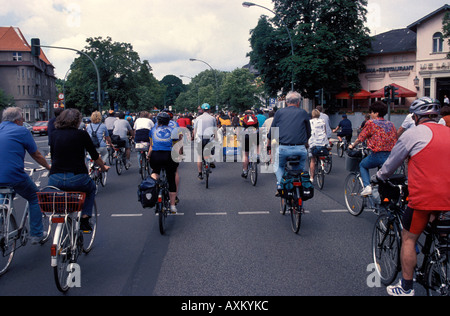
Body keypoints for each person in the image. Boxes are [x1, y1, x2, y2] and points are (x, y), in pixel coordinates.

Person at [374, 97, 450, 296]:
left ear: (416, 117)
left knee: (409, 238)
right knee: (443, 233)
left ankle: (406, 287)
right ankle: (441, 258)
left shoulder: (413, 133)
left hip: (425, 198)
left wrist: (380, 177)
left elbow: (391, 164)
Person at [48, 108, 109, 232]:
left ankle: (62, 218)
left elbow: (53, 156)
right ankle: (85, 218)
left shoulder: (54, 134)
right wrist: (103, 167)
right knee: (91, 188)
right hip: (77, 176)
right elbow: (94, 156)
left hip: (55, 178)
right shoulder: (81, 134)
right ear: (77, 121)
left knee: (62, 196)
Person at [0, 107, 51, 244]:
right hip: (14, 175)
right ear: (17, 120)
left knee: (2, 199)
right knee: (35, 197)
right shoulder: (21, 131)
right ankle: (36, 234)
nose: (23, 122)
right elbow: (36, 154)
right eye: (22, 119)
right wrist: (48, 167)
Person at [348, 101, 397, 196]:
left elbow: (361, 137)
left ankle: (367, 187)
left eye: (371, 112)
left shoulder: (371, 123)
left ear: (376, 113)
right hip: (391, 156)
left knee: (363, 165)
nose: (370, 114)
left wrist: (352, 145)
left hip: (378, 154)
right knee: (383, 176)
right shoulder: (391, 124)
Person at [268, 91, 311, 195]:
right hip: (300, 149)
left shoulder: (279, 112)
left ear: (286, 102)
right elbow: (308, 131)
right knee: (299, 173)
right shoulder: (303, 112)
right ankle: (299, 203)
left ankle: (280, 184)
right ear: (298, 102)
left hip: (284, 148)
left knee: (279, 166)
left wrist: (269, 144)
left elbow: (273, 130)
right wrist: (306, 142)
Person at [148, 112, 181, 213]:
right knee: (171, 178)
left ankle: (153, 191)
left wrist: (149, 156)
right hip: (169, 156)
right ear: (169, 121)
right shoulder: (174, 130)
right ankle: (172, 206)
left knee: (155, 172)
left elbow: (151, 145)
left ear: (157, 121)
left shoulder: (153, 130)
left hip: (156, 155)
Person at [193, 103, 217, 180]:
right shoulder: (212, 118)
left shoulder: (198, 118)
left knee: (199, 156)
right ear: (209, 109)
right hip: (209, 138)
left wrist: (193, 137)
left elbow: (195, 130)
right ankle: (210, 162)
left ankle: (200, 174)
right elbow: (215, 129)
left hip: (200, 138)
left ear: (202, 110)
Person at [308, 109, 329, 182]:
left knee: (312, 160)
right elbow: (325, 132)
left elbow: (308, 132)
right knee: (322, 154)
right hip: (322, 142)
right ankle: (322, 164)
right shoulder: (322, 121)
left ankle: (311, 177)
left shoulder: (310, 122)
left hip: (314, 143)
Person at [240, 110, 259, 178]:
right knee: (257, 144)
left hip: (246, 136)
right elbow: (258, 126)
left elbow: (241, 128)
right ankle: (257, 155)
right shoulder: (255, 118)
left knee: (245, 154)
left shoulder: (243, 119)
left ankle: (245, 171)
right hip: (255, 134)